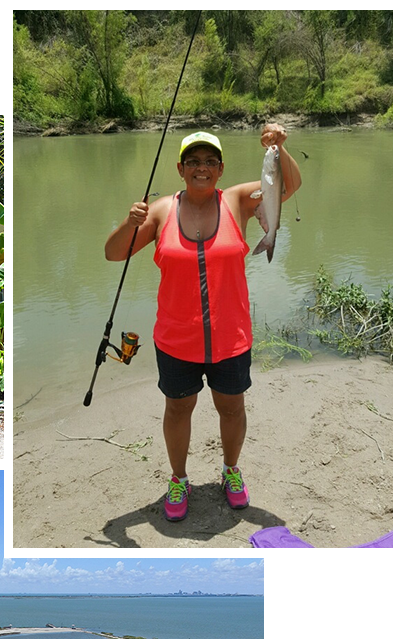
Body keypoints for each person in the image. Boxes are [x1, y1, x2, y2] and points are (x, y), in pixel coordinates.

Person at [104, 125, 301, 521]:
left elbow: (288, 186)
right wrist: (129, 222)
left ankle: (231, 471)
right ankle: (179, 479)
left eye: (210, 161)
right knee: (178, 410)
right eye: (193, 161)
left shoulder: (239, 200)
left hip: (231, 337)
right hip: (177, 339)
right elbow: (112, 254)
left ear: (221, 168)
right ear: (180, 168)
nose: (201, 168)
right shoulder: (161, 211)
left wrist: (279, 148)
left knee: (232, 408)